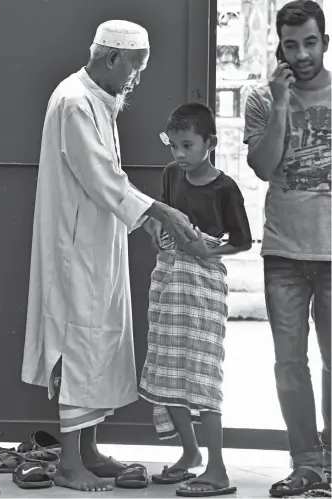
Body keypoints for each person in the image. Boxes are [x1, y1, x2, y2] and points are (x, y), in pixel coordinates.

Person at [21, 20, 197, 493]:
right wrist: (160, 209)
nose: (136, 80)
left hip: (98, 244)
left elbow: (109, 182)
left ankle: (90, 451)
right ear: (112, 58)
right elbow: (101, 178)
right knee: (79, 344)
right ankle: (69, 463)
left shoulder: (100, 99)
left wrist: (146, 220)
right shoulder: (75, 102)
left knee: (100, 342)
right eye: (134, 70)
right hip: (75, 250)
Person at [139, 103, 252, 497]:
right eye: (173, 146)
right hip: (168, 279)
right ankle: (190, 455)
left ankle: (218, 469)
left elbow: (241, 242)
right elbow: (161, 213)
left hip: (204, 285)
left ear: (211, 144)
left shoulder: (225, 188)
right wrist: (155, 225)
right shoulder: (171, 175)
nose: (179, 155)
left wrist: (208, 253)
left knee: (203, 375)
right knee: (168, 367)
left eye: (187, 145)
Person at [243, 1, 331, 496]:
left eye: (310, 42)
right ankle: (307, 463)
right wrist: (280, 102)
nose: (301, 54)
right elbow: (264, 166)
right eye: (292, 44)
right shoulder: (261, 97)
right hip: (283, 253)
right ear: (280, 45)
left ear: (324, 40)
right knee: (289, 363)